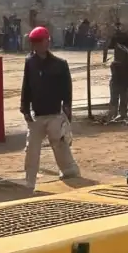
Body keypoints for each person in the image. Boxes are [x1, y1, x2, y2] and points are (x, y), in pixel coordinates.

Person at [21, 26, 80, 190]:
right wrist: (25, 108)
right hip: (37, 116)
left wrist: (67, 109)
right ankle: (29, 180)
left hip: (55, 113)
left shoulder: (60, 65)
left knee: (60, 144)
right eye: (35, 42)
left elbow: (67, 89)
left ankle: (69, 171)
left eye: (40, 41)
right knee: (32, 149)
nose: (38, 45)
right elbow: (26, 86)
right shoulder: (30, 63)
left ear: (47, 42)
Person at [103, 20, 128, 122]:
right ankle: (120, 113)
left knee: (117, 95)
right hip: (121, 76)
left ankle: (117, 114)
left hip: (120, 76)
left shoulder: (120, 47)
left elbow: (107, 49)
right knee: (121, 95)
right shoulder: (126, 51)